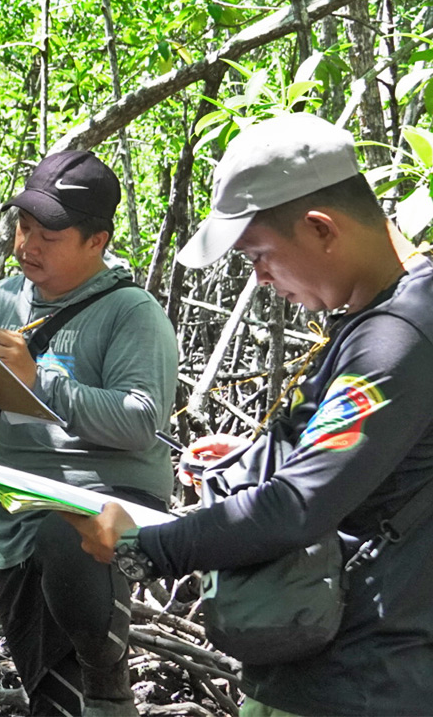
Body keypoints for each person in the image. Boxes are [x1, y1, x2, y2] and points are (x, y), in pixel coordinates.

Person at [68, 112, 433, 717]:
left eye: (260, 255)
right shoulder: (383, 316)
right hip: (327, 666)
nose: (260, 278)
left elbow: (297, 507)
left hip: (362, 683)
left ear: (321, 228)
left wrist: (145, 546)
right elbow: (369, 465)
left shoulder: (398, 339)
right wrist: (252, 456)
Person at [0, 150, 178, 717]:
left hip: (106, 506)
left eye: (48, 234)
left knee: (62, 544)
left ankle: (106, 671)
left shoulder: (131, 312)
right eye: (23, 227)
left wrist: (40, 378)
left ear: (96, 242)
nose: (27, 245)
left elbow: (139, 421)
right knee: (44, 687)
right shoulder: (0, 300)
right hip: (15, 513)